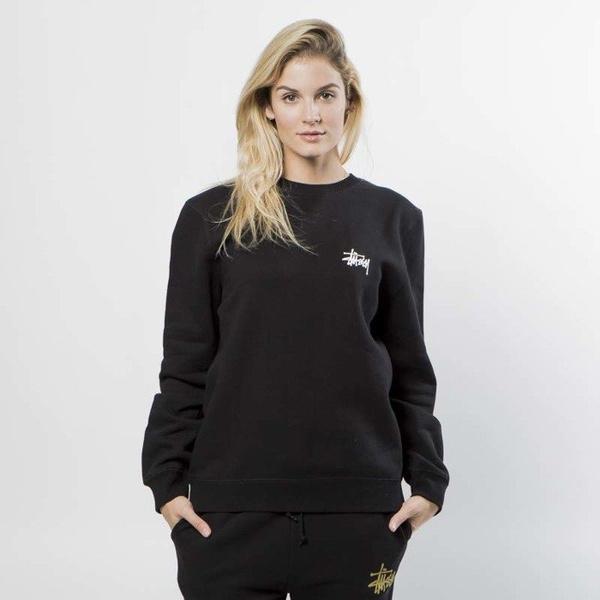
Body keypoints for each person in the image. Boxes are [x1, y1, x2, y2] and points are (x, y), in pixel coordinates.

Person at [141, 18, 450, 600]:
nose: (311, 114)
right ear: (267, 108)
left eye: (326, 95)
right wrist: (166, 484)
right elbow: (185, 361)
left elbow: (409, 366)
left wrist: (428, 480)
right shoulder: (212, 217)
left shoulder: (393, 219)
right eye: (291, 97)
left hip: (358, 514)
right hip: (228, 514)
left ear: (348, 103)